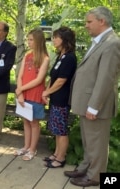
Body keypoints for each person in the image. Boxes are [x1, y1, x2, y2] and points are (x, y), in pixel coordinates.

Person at [64, 6, 120, 187]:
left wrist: (94, 106)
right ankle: (86, 168)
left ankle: (96, 177)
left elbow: (106, 78)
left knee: (97, 142)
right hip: (87, 102)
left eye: (89, 22)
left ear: (101, 21)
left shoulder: (112, 43)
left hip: (96, 104)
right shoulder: (99, 41)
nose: (86, 26)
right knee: (89, 140)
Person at [42, 26, 77, 167]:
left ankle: (61, 158)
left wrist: (47, 92)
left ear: (65, 40)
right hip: (55, 98)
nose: (54, 40)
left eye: (56, 37)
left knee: (61, 129)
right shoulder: (60, 56)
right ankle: (56, 153)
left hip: (62, 99)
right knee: (56, 128)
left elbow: (61, 80)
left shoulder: (70, 58)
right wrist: (47, 89)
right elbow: (53, 77)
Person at [13, 28, 49, 161]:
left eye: (31, 39)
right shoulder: (27, 56)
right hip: (24, 94)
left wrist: (20, 88)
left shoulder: (45, 58)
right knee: (26, 121)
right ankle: (26, 146)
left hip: (35, 94)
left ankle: (33, 149)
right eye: (28, 39)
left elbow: (39, 80)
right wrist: (20, 92)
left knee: (34, 122)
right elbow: (20, 75)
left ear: (39, 41)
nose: (28, 42)